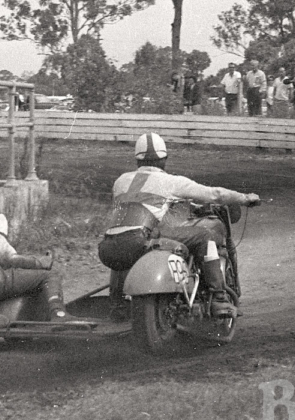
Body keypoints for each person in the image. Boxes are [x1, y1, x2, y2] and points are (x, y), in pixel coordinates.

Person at [98, 133, 260, 320]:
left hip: (108, 247)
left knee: (127, 241)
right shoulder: (170, 182)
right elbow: (216, 194)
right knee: (205, 236)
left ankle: (117, 305)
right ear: (164, 158)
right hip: (140, 240)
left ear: (137, 159)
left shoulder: (120, 181)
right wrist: (245, 198)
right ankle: (219, 298)